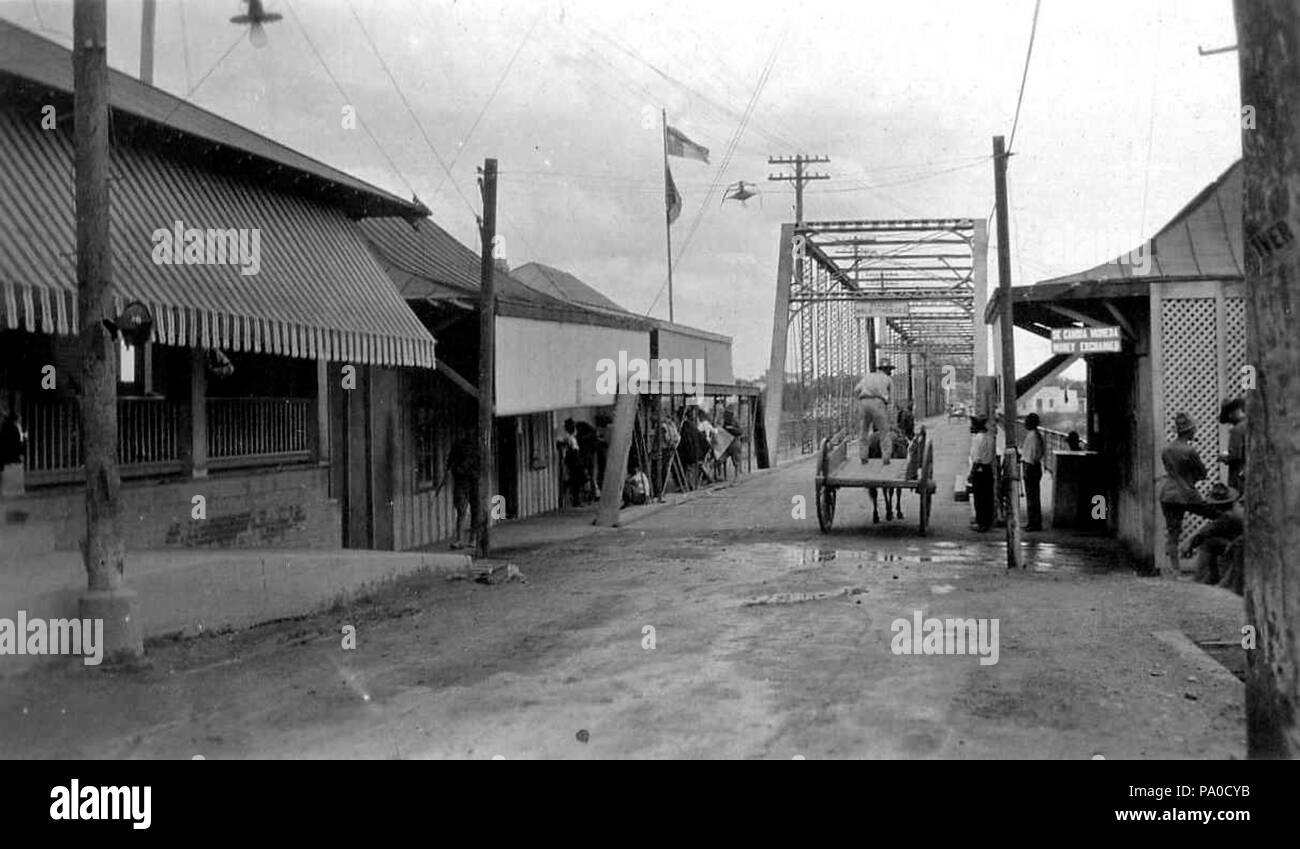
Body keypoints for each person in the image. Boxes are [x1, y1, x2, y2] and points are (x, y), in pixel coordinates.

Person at [1158, 412, 1219, 578]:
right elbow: (1202, 473)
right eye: (1194, 429)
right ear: (1189, 431)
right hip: (1187, 493)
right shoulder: (1190, 450)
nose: (1195, 431)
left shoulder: (1166, 449)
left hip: (1167, 494)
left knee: (1173, 532)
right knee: (1217, 516)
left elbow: (1170, 470)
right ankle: (1208, 558)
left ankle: (1175, 570)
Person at [1180, 483, 1243, 586]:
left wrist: (1190, 543)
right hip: (1240, 544)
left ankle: (1202, 578)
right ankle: (1210, 577)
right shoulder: (1237, 509)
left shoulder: (1228, 516)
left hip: (1240, 547)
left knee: (1209, 544)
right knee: (1214, 542)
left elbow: (1208, 531)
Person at [438, 434, 480, 550]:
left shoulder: (477, 445)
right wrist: (452, 470)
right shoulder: (458, 445)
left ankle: (473, 538)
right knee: (461, 510)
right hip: (461, 481)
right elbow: (450, 462)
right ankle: (460, 539)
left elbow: (480, 463)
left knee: (475, 510)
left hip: (474, 480)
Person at [854, 360, 895, 465]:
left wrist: (859, 401)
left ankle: (863, 456)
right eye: (890, 370)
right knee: (884, 432)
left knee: (863, 431)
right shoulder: (888, 379)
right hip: (878, 402)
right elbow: (891, 401)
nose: (890, 372)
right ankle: (886, 457)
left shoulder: (867, 377)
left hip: (864, 402)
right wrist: (891, 418)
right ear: (887, 370)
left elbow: (856, 390)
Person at [1019, 412, 1046, 531]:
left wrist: (1028, 463)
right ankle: (1033, 521)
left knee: (1032, 497)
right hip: (1032, 466)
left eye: (1027, 421)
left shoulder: (1033, 436)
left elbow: (1033, 454)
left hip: (1031, 467)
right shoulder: (1034, 435)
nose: (1025, 423)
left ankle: (1034, 523)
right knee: (1032, 496)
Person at [969, 414, 996, 532]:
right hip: (988, 469)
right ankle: (987, 521)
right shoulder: (990, 438)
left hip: (979, 470)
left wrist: (971, 473)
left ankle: (981, 523)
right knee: (988, 496)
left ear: (977, 426)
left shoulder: (977, 439)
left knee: (979, 498)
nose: (971, 427)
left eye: (973, 425)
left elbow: (977, 458)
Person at [1218, 397, 1246, 493]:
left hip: (1239, 475)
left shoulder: (1237, 430)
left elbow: (1235, 455)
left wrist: (1224, 457)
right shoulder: (1252, 425)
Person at [721, 405, 745, 479]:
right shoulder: (725, 421)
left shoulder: (735, 421)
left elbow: (740, 431)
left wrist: (732, 429)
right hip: (726, 443)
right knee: (721, 458)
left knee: (736, 460)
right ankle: (723, 475)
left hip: (734, 442)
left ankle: (737, 475)